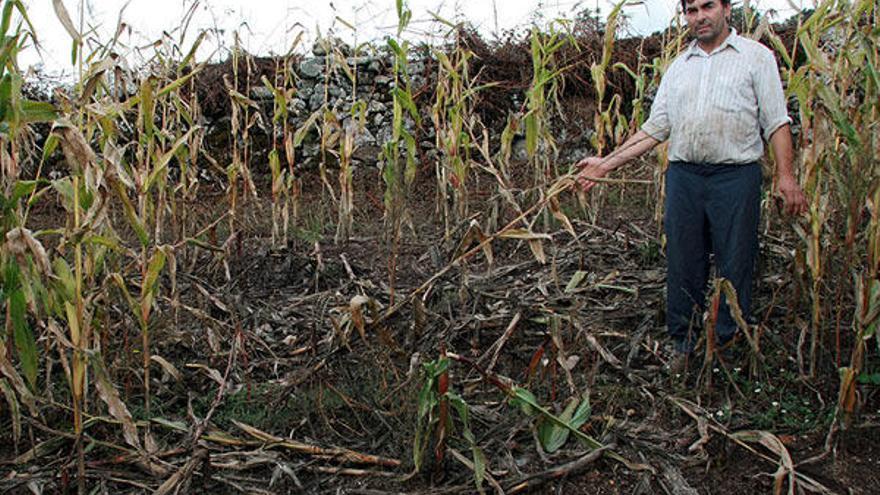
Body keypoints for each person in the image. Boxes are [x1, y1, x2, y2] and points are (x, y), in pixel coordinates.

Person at [575, 0, 807, 370]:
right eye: (691, 10)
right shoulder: (679, 67)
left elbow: (776, 122)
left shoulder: (755, 58)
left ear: (727, 9)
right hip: (684, 176)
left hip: (736, 177)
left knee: (736, 261)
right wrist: (605, 164)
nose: (699, 16)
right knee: (684, 261)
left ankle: (729, 347)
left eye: (707, 6)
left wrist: (786, 176)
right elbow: (655, 129)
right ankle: (682, 343)